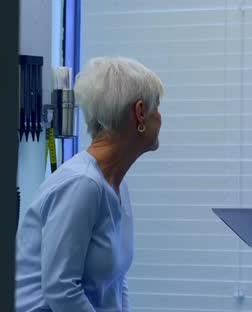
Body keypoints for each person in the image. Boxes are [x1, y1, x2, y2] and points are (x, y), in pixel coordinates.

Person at [15, 56, 164, 312]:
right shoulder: (81, 184)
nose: (160, 118)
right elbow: (61, 289)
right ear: (139, 112)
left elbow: (116, 282)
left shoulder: (116, 183)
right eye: (157, 107)